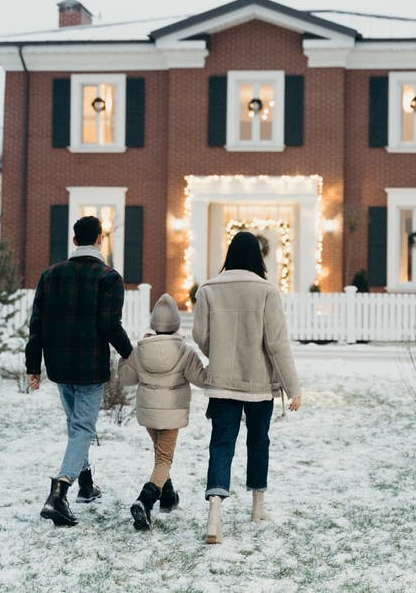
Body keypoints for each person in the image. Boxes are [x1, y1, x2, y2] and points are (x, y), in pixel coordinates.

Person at [192, 231, 301, 544]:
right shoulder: (267, 290)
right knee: (258, 442)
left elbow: (200, 335)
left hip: (222, 382)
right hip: (259, 384)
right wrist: (294, 387)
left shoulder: (209, 288)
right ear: (258, 256)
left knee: (221, 444)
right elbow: (277, 343)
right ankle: (257, 508)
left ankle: (214, 516)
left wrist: (221, 352)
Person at [25, 215, 133, 527]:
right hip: (89, 367)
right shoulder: (108, 277)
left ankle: (86, 484)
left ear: (74, 241)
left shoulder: (50, 275)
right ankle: (60, 491)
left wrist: (34, 366)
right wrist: (130, 354)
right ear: (101, 240)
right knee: (83, 428)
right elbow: (109, 325)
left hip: (58, 364)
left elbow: (37, 326)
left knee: (75, 425)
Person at [119, 293, 207, 530]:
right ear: (176, 324)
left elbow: (126, 378)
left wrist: (124, 356)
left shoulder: (140, 349)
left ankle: (167, 496)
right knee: (164, 459)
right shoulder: (185, 352)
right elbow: (203, 379)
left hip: (149, 411)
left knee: (160, 456)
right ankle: (145, 500)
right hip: (172, 412)